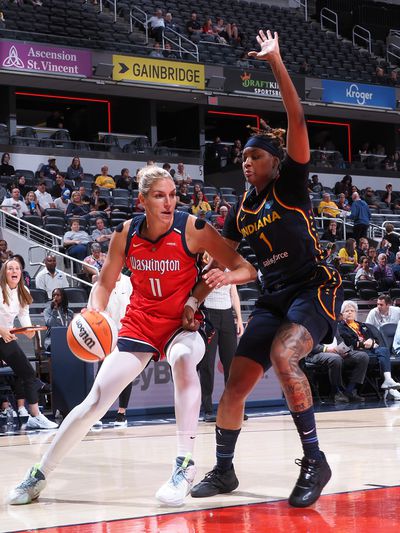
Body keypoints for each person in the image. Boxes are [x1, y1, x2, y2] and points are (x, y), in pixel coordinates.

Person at [8, 165, 256, 507]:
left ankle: (185, 465)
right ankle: (39, 474)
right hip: (139, 325)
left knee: (184, 360)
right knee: (95, 401)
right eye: (159, 196)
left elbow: (246, 268)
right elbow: (105, 284)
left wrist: (216, 282)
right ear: (142, 201)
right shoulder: (125, 234)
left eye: (172, 195)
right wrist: (94, 311)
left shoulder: (194, 228)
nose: (168, 202)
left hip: (182, 325)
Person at [190, 30, 343, 508]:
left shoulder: (290, 184)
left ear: (276, 162)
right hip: (275, 295)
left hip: (313, 288)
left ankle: (315, 460)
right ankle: (225, 469)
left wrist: (276, 60)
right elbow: (230, 262)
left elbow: (296, 115)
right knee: (234, 384)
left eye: (254, 156)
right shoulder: (241, 210)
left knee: (284, 357)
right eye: (242, 158)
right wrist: (196, 296)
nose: (246, 162)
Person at [0, 259, 58, 429]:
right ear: (5, 272)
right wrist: (2, 330)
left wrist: (29, 330)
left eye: (17, 268)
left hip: (6, 337)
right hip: (3, 334)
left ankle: (35, 416)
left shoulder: (23, 291)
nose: (14, 271)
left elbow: (24, 315)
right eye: (10, 268)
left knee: (28, 374)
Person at [198, 255, 244, 422]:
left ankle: (232, 407)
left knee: (231, 364)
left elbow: (234, 295)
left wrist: (239, 319)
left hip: (226, 316)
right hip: (209, 316)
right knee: (207, 364)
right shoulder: (204, 271)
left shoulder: (230, 269)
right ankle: (207, 409)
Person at [338, 300, 400, 399]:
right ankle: (391, 390)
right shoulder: (341, 326)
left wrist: (371, 341)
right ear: (342, 314)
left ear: (356, 313)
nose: (350, 312)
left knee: (384, 350)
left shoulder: (362, 325)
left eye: (352, 310)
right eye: (347, 311)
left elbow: (375, 339)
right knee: (373, 357)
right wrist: (364, 344)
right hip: (354, 352)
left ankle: (388, 380)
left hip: (368, 350)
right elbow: (348, 342)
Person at [306, 333, 368, 404]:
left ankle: (350, 391)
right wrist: (327, 349)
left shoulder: (333, 323)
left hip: (336, 352)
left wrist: (344, 350)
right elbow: (309, 344)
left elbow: (339, 339)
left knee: (362, 356)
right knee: (335, 358)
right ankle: (337, 392)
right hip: (316, 353)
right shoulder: (310, 324)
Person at [43, 288, 74, 353]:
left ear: (63, 297)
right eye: (54, 295)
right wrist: (54, 310)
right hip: (52, 339)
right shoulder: (47, 311)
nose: (55, 297)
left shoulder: (70, 312)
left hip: (67, 338)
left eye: (58, 295)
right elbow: (50, 324)